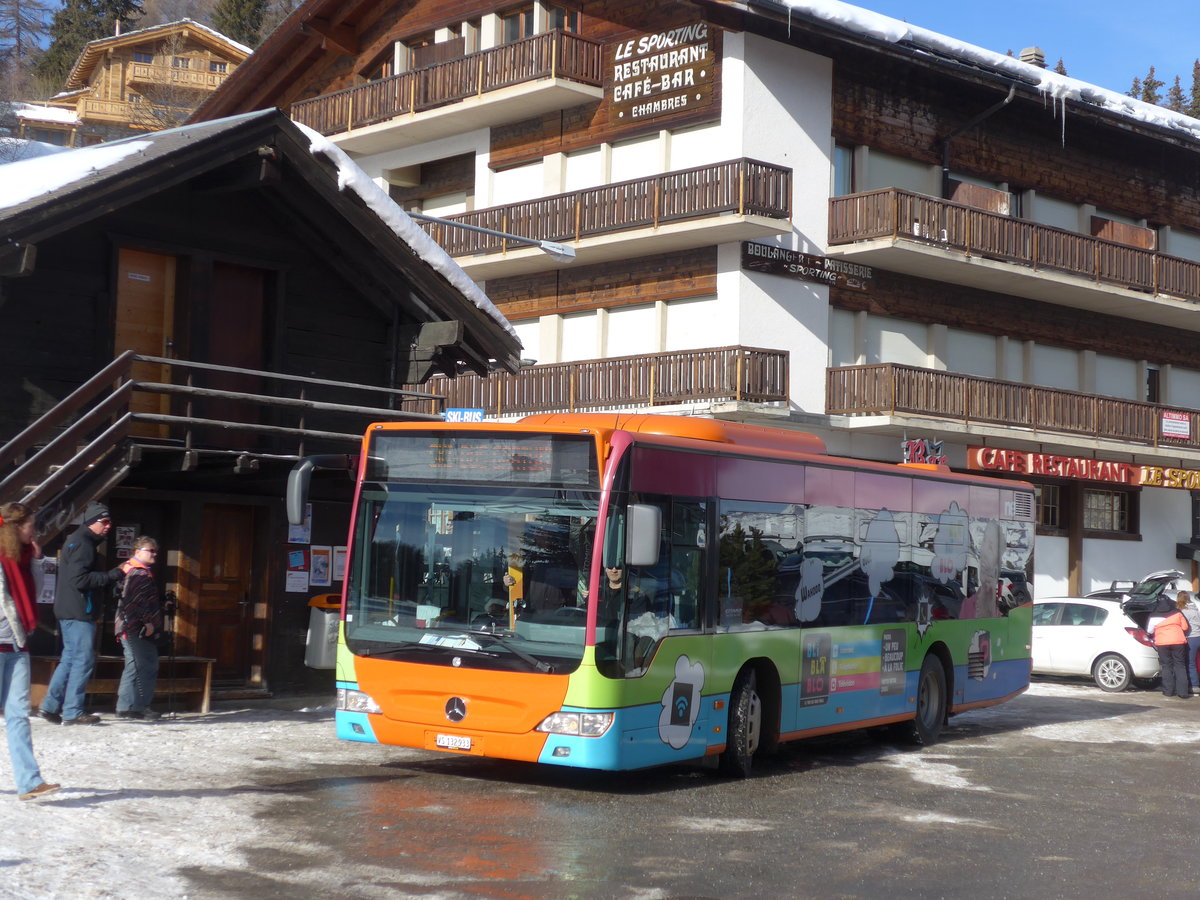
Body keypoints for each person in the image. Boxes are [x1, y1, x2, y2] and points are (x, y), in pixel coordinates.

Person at [39, 501, 122, 726]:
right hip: (78, 612)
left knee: (69, 659)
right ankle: (73, 711)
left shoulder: (79, 541)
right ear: (91, 522)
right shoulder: (83, 543)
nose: (108, 526)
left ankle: (49, 706)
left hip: (70, 610)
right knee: (83, 660)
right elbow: (80, 580)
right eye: (104, 522)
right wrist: (114, 574)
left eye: (110, 522)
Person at [0, 503, 61, 800]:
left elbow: (31, 598)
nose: (34, 531)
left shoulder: (23, 558)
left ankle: (29, 782)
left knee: (19, 715)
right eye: (30, 526)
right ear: (15, 527)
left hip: (18, 645)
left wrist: (36, 562)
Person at [115, 536, 164, 720]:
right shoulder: (139, 573)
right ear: (137, 552)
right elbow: (134, 600)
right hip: (135, 626)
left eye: (155, 551)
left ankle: (127, 707)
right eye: (150, 550)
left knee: (134, 665)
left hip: (129, 625)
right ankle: (137, 706)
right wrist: (147, 622)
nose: (154, 554)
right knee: (145, 664)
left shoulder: (129, 569)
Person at [1147, 592, 1191, 699]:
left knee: (1166, 666)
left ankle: (1168, 691)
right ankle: (1183, 692)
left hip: (1162, 643)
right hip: (1178, 641)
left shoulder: (1153, 615)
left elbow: (1149, 630)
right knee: (1180, 665)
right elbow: (1185, 627)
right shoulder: (1177, 612)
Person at [1182, 591, 1200, 694]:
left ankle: (1194, 685)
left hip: (1191, 637)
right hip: (1199, 636)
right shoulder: (1195, 608)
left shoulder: (1184, 611)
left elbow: (1184, 626)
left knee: (1191, 662)